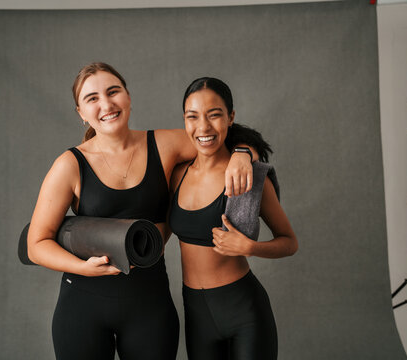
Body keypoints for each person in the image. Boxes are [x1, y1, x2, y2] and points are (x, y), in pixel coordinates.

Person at [26, 63, 258, 360]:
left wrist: (242, 154)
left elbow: (213, 134)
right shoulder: (69, 164)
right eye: (92, 98)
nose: (106, 104)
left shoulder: (164, 144)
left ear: (129, 97)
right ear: (81, 114)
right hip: (82, 307)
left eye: (113, 92)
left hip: (150, 307)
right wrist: (83, 268)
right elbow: (37, 244)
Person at [169, 77, 298, 360]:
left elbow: (289, 242)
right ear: (185, 121)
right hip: (196, 313)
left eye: (214, 115)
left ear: (230, 118)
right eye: (193, 117)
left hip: (244, 311)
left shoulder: (249, 178)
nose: (203, 127)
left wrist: (250, 248)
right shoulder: (176, 175)